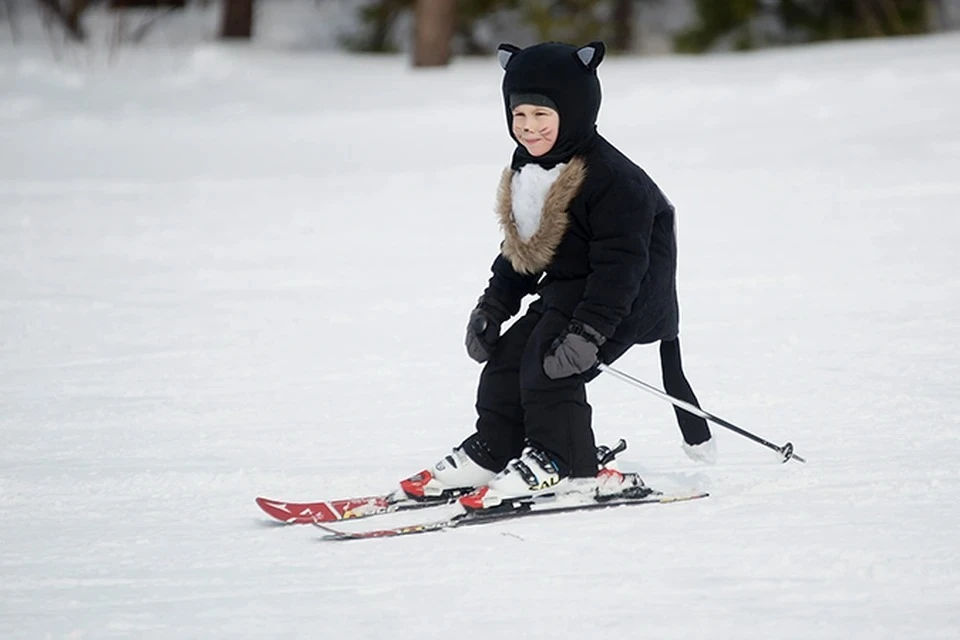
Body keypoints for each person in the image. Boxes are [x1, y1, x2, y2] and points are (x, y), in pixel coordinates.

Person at [401, 40, 715, 511]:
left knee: (549, 365)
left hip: (626, 298)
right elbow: (525, 248)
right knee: (507, 361)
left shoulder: (614, 180)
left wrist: (588, 332)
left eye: (541, 116)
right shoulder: (533, 167)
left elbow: (623, 266)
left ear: (574, 109)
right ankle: (495, 449)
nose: (528, 129)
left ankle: (565, 464)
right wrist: (493, 306)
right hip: (571, 288)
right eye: (519, 115)